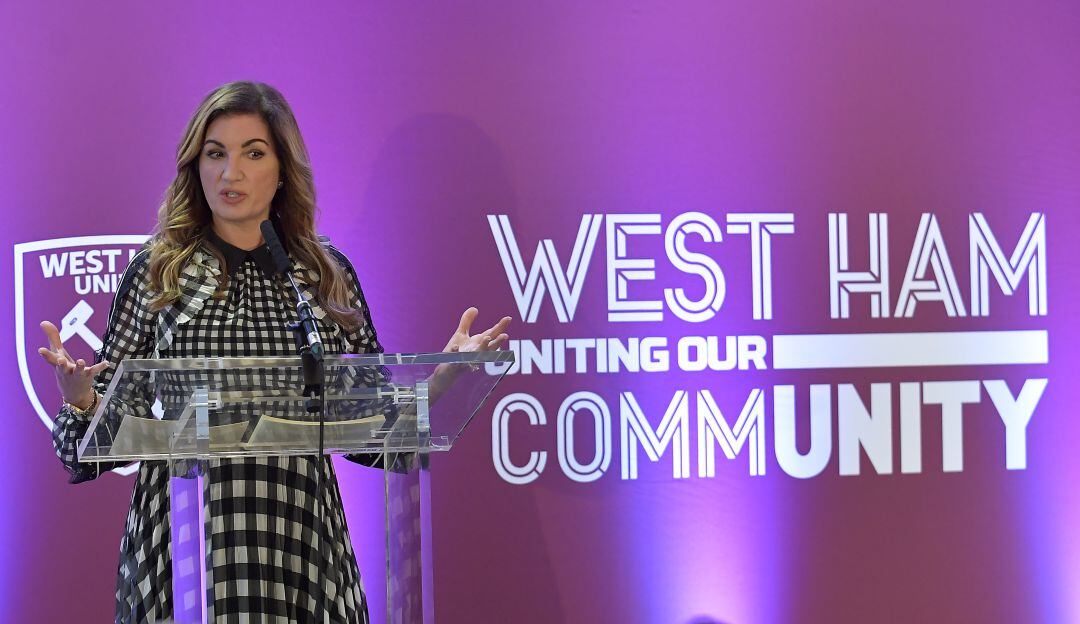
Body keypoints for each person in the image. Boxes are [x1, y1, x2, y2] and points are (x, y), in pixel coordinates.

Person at [38, 80, 511, 623]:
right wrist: (82, 400)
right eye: (215, 153)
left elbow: (373, 430)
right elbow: (104, 434)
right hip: (186, 540)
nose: (230, 173)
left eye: (253, 153)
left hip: (300, 539)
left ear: (283, 168)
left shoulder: (323, 273)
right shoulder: (158, 271)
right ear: (195, 166)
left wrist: (442, 379)